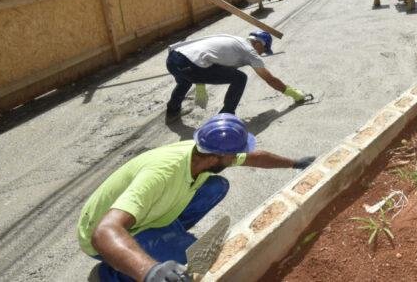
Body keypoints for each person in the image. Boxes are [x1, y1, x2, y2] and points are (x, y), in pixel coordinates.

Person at [77, 113, 315, 282]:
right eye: (234, 156)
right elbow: (104, 232)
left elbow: (255, 157)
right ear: (214, 158)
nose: (237, 158)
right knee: (189, 268)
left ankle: (167, 236)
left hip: (146, 215)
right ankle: (110, 274)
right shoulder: (161, 174)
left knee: (216, 186)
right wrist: (150, 271)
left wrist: (295, 163)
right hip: (106, 233)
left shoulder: (202, 152)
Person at [165, 30, 307, 121]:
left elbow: (206, 57)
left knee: (184, 81)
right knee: (240, 78)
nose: (262, 53)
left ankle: (172, 110)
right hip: (191, 66)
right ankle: (226, 116)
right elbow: (269, 79)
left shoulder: (234, 40)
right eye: (264, 50)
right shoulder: (250, 52)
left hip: (173, 59)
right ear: (258, 44)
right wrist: (291, 92)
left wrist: (199, 84)